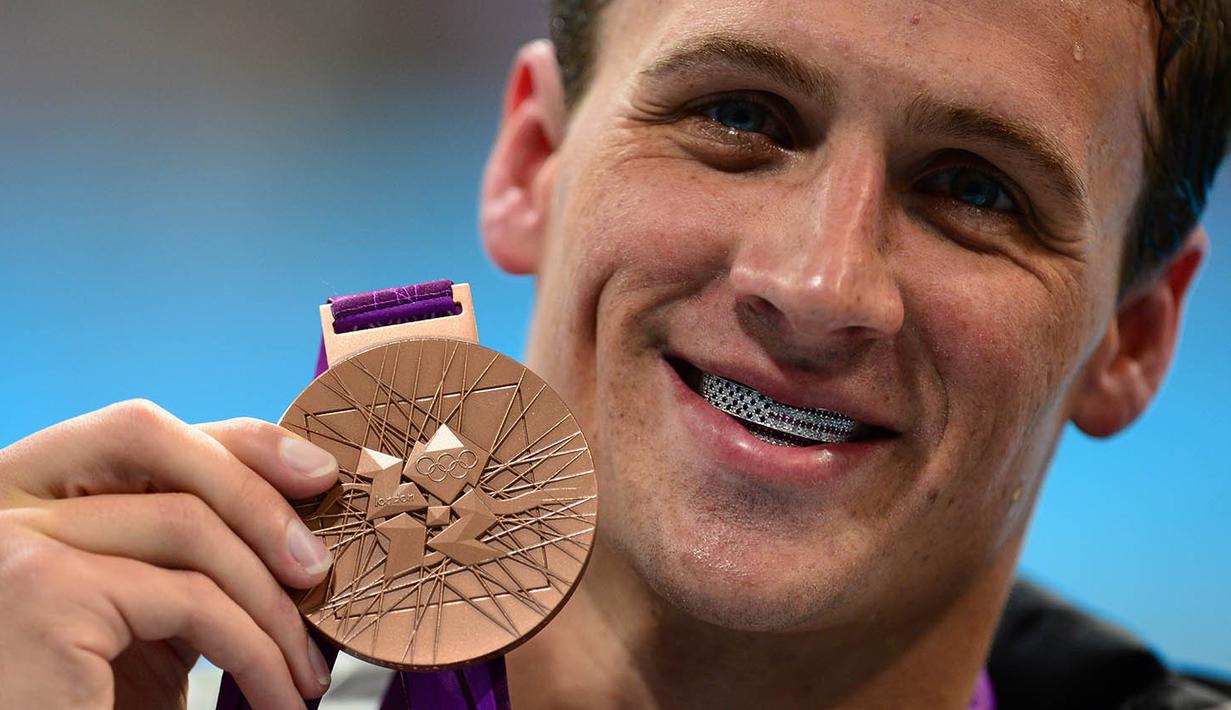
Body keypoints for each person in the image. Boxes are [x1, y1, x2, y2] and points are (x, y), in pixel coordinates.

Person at [1, 1, 1228, 708]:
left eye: (975, 189)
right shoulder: (117, 671)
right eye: (738, 116)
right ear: (531, 161)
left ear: (1131, 337)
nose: (816, 286)